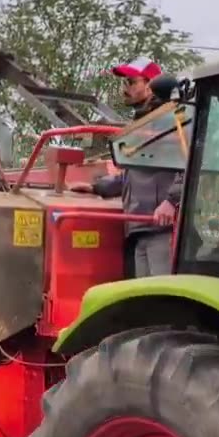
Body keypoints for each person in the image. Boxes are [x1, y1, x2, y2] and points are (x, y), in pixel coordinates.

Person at [70, 57, 182, 277]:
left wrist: (171, 201)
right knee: (145, 304)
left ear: (151, 86)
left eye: (131, 82)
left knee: (162, 302)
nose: (125, 88)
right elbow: (133, 177)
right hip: (141, 228)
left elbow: (191, 166)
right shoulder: (141, 126)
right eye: (124, 83)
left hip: (163, 229)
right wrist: (96, 188)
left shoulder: (172, 124)